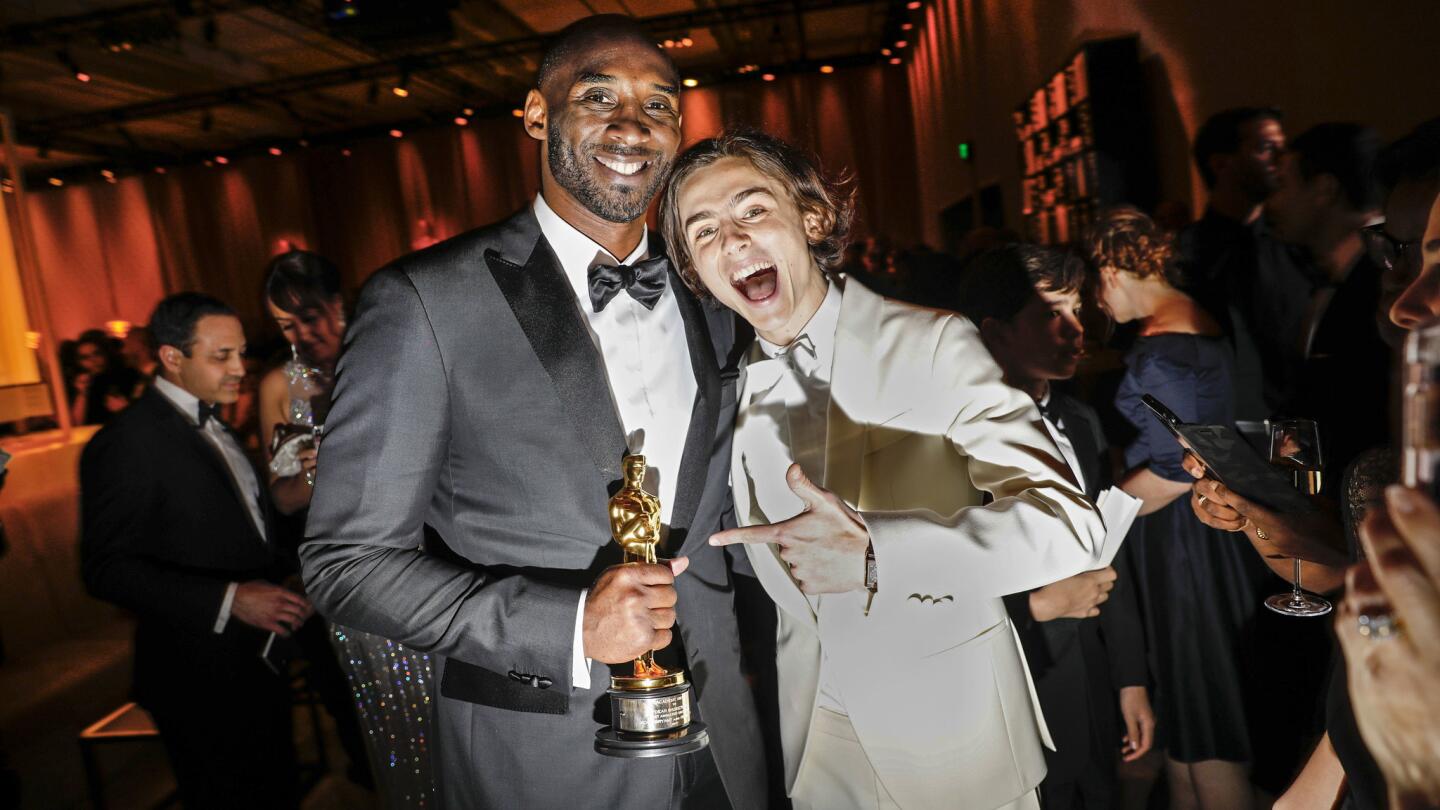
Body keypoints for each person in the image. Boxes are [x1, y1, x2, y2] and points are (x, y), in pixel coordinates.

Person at [300, 15, 767, 809]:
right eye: (597, 95)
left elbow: (718, 516)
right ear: (537, 114)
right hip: (543, 752)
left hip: (724, 737)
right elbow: (346, 563)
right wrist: (566, 627)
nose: (632, 123)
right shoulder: (423, 302)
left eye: (659, 105)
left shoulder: (715, 298)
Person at [662, 129, 1105, 810]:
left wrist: (879, 554)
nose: (732, 240)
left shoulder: (932, 342)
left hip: (955, 749)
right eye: (704, 231)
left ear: (810, 216)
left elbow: (1069, 525)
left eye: (752, 211)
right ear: (694, 268)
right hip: (818, 750)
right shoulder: (727, 393)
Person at [80, 292, 311, 809]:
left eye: (241, 353)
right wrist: (231, 599)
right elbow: (105, 569)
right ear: (171, 358)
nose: (240, 369)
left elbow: (242, 530)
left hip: (255, 658)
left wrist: (292, 572)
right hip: (195, 675)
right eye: (221, 356)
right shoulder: (127, 441)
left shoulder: (214, 421)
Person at [1088, 207, 1277, 810]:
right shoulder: (1199, 319)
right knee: (1188, 720)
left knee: (1203, 717)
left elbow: (1177, 466)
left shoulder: (1165, 347)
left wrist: (1100, 516)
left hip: (1182, 539)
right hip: (1200, 532)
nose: (1097, 304)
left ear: (1112, 269)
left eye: (1094, 286)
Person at [955, 244, 1154, 809]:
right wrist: (1038, 608)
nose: (1075, 330)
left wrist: (1131, 679)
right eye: (1051, 314)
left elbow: (1109, 552)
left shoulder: (1082, 420)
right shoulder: (952, 439)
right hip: (1017, 701)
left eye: (1077, 309)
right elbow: (935, 588)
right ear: (995, 332)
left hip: (1091, 687)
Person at [259, 249, 430, 804]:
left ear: (338, 303)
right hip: (346, 564)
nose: (300, 335)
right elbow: (283, 501)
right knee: (382, 709)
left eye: (308, 317)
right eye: (285, 325)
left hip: (420, 548)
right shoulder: (279, 386)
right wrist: (312, 474)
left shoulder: (385, 349)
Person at [1267, 122, 1390, 483]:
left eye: (1283, 185)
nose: (1272, 201)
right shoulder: (1319, 277)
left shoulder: (1385, 281)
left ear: (1324, 189)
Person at [1179, 107, 1313, 420]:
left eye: (1283, 147)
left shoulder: (1296, 243)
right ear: (1221, 163)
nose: (1281, 159)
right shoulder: (1185, 253)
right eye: (1266, 147)